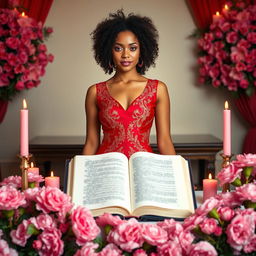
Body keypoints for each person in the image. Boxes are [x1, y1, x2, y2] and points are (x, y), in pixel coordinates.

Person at [82, 9, 176, 158]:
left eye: (133, 48)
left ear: (142, 50)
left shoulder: (158, 89)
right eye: (118, 48)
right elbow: (92, 143)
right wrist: (82, 176)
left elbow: (164, 141)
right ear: (109, 51)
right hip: (107, 169)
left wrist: (176, 176)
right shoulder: (95, 92)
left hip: (143, 169)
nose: (126, 55)